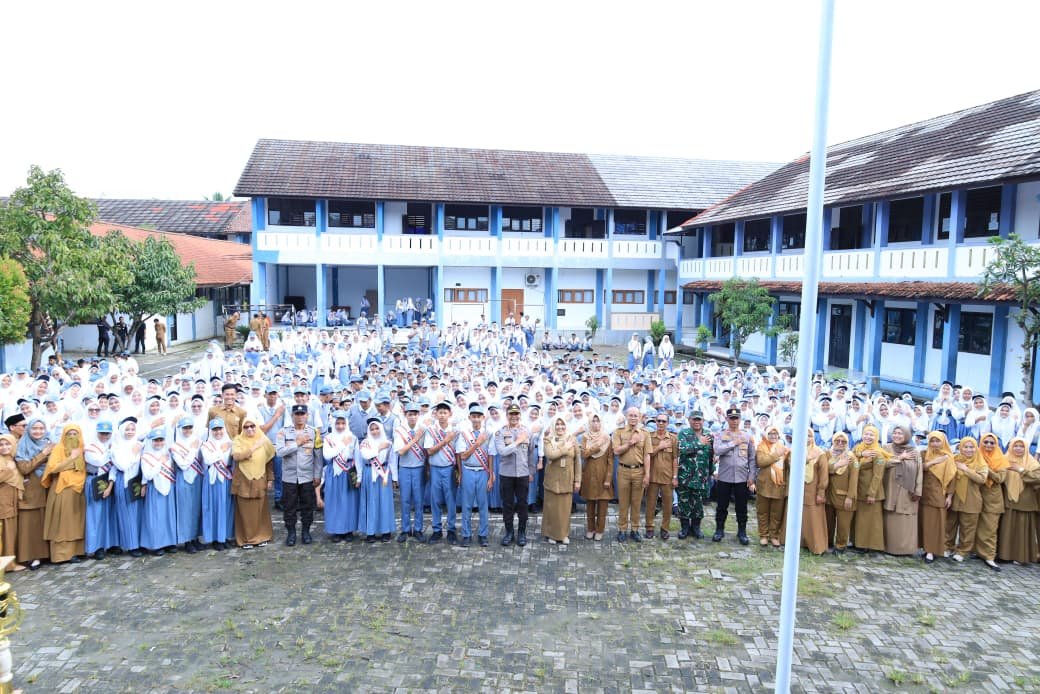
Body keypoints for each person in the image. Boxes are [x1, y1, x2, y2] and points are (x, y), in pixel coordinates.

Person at [276, 405, 323, 546]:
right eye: (297, 414)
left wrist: (318, 475)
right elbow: (279, 452)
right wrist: (297, 443)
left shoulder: (314, 432)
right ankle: (291, 533)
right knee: (289, 507)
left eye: (303, 413)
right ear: (292, 415)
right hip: (289, 477)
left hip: (307, 476)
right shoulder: (283, 432)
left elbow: (318, 457)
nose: (300, 416)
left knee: (308, 506)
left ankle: (306, 532)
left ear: (307, 415)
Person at [40, 423, 88, 563]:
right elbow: (53, 469)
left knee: (76, 522)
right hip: (63, 489)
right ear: (64, 435)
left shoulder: (81, 448)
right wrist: (71, 458)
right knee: (62, 523)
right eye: (69, 434)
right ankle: (61, 555)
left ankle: (77, 551)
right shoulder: (58, 449)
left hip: (78, 488)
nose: (72, 437)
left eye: (75, 434)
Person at [15, 417, 54, 569]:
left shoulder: (50, 443)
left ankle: (47, 554)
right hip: (31, 489)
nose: (38, 431)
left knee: (46, 521)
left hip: (48, 488)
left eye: (41, 428)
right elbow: (24, 468)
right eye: (34, 428)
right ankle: (33, 556)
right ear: (29, 430)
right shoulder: (22, 445)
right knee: (32, 524)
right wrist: (43, 454)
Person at [231, 415, 275, 548]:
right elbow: (237, 456)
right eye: (246, 427)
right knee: (245, 511)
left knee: (260, 510)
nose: (249, 429)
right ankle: (246, 539)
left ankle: (262, 536)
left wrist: (270, 479)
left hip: (260, 479)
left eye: (252, 426)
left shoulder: (264, 440)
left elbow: (269, 462)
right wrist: (254, 447)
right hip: (243, 480)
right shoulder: (237, 440)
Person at [713, 406, 755, 545]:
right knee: (722, 505)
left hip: (742, 478)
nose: (734, 421)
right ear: (727, 419)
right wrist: (733, 443)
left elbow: (752, 458)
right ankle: (719, 529)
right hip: (725, 477)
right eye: (732, 418)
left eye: (737, 418)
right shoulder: (720, 435)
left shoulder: (747, 436)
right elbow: (718, 450)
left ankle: (742, 531)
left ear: (740, 419)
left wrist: (751, 476)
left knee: (741, 506)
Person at [456, 405, 494, 547]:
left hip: (483, 472)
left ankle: (483, 534)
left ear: (483, 418)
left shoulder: (489, 433)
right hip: (468, 470)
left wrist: (491, 474)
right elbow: (463, 456)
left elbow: (491, 455)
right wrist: (477, 443)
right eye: (474, 416)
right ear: (470, 418)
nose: (476, 419)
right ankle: (466, 534)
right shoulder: (464, 433)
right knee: (466, 505)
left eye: (479, 416)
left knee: (483, 505)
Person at [998, 437, 1040, 564]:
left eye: (1021, 446)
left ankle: (1021, 557)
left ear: (1026, 448)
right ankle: (1005, 555)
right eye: (1015, 446)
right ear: (1010, 447)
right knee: (1007, 528)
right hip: (1008, 499)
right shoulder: (1004, 460)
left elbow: (1037, 478)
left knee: (1022, 530)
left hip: (1025, 500)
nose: (1018, 448)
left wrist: (1020, 470)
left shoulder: (1032, 463)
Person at [881, 425, 922, 556]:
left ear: (907, 436)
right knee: (891, 518)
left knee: (905, 518)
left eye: (900, 433)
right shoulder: (886, 448)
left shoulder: (914, 451)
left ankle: (906, 549)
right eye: (895, 433)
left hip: (907, 491)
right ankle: (890, 547)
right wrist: (900, 458)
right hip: (891, 488)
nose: (897, 436)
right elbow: (882, 464)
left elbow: (920, 472)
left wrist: (918, 490)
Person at [495, 404, 532, 547]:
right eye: (511, 414)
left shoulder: (527, 432)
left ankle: (521, 532)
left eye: (516, 414)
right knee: (507, 504)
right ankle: (509, 532)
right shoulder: (500, 433)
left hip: (522, 473)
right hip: (507, 474)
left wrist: (531, 471)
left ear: (520, 415)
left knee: (523, 504)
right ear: (507, 415)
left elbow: (530, 454)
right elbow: (502, 452)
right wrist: (518, 441)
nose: (514, 417)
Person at [946, 436, 987, 563]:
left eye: (972, 447)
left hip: (971, 500)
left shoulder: (980, 462)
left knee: (968, 528)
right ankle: (947, 547)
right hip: (954, 498)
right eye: (966, 447)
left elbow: (982, 479)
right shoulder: (955, 459)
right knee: (950, 524)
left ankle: (962, 551)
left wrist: (966, 469)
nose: (969, 450)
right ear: (960, 447)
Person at [424, 402, 459, 545]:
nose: (442, 415)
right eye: (440, 412)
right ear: (436, 414)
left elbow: (458, 452)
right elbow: (429, 451)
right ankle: (437, 530)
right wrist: (445, 441)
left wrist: (459, 471)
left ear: (449, 414)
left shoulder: (455, 431)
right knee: (435, 500)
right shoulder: (431, 430)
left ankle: (451, 530)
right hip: (435, 469)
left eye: (445, 412)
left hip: (449, 469)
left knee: (451, 501)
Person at [322, 411, 360, 542]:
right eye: (338, 423)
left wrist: (359, 476)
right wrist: (342, 444)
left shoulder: (353, 438)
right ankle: (336, 531)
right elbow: (327, 455)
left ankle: (349, 530)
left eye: (343, 423)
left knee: (349, 502)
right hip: (334, 472)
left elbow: (358, 458)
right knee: (335, 502)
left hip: (348, 473)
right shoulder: (328, 438)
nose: (340, 426)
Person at [542, 416, 580, 544]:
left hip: (567, 478)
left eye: (562, 424)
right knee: (552, 508)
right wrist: (565, 447)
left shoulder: (572, 439)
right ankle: (551, 534)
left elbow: (578, 461)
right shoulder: (548, 439)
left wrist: (578, 480)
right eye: (557, 424)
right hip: (552, 478)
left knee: (565, 508)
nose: (560, 427)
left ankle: (564, 534)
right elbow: (550, 454)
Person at [109, 417, 144, 558]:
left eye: (133, 429)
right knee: (127, 514)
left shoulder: (140, 444)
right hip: (123, 482)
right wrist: (134, 453)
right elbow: (122, 465)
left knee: (137, 514)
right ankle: (131, 545)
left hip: (137, 481)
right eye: (127, 429)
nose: (130, 432)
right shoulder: (116, 447)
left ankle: (139, 542)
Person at [850, 425, 889, 553]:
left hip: (871, 491)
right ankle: (857, 542)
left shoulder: (878, 453)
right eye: (866, 434)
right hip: (858, 489)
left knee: (870, 520)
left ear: (876, 437)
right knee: (860, 519)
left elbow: (878, 475)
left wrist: (871, 493)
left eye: (871, 435)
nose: (868, 437)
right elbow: (851, 455)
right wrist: (861, 453)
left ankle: (869, 545)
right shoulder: (858, 448)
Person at [919, 431, 956, 563]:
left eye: (938, 441)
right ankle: (926, 548)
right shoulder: (924, 454)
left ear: (943, 442)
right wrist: (934, 462)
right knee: (925, 522)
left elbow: (952, 478)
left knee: (936, 523)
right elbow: (919, 468)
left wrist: (950, 496)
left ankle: (932, 550)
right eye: (932, 441)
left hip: (939, 494)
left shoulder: (948, 457)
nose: (935, 444)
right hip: (924, 493)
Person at [83, 420, 116, 560]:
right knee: (94, 515)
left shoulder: (111, 445)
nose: (105, 436)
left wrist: (110, 484)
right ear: (97, 433)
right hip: (94, 480)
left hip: (107, 480)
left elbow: (114, 467)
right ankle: (95, 547)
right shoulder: (90, 446)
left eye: (107, 433)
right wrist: (111, 453)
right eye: (102, 433)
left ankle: (106, 545)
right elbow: (98, 462)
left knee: (107, 515)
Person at [358, 418, 395, 542]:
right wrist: (379, 448)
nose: (374, 431)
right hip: (370, 473)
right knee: (371, 502)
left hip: (384, 473)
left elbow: (392, 461)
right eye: (372, 429)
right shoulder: (365, 443)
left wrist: (394, 477)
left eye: (377, 428)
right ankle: (371, 532)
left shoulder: (388, 443)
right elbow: (366, 455)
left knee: (384, 502)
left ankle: (385, 531)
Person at [200, 419, 234, 550]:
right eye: (214, 430)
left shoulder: (230, 443)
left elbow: (231, 460)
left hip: (226, 478)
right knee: (214, 507)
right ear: (210, 431)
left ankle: (224, 536)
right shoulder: (206, 445)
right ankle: (215, 539)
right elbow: (209, 459)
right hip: (213, 480)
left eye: (220, 429)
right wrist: (221, 450)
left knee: (226, 507)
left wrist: (221, 452)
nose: (218, 432)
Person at [171, 417, 204, 553]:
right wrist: (192, 449)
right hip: (183, 479)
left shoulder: (199, 441)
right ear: (179, 429)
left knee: (196, 509)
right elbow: (183, 465)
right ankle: (187, 541)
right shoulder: (175, 446)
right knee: (185, 510)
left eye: (190, 427)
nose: (187, 430)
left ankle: (195, 537)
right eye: (185, 428)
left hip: (197, 478)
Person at [976, 432, 1008, 571]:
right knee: (977, 526)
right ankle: (978, 552)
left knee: (990, 529)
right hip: (977, 496)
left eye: (992, 442)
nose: (988, 445)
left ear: (996, 444)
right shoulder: (976, 455)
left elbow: (1000, 479)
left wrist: (986, 468)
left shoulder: (1000, 459)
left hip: (993, 499)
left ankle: (989, 556)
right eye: (986, 442)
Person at [580, 413, 613, 542]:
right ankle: (590, 529)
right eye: (593, 421)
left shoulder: (607, 438)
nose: (595, 424)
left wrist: (608, 479)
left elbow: (610, 461)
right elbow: (584, 455)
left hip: (603, 475)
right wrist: (596, 446)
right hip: (589, 475)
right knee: (590, 504)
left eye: (598, 421)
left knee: (603, 505)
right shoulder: (585, 437)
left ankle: (599, 530)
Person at [755, 425, 789, 547]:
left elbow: (790, 463)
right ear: (766, 435)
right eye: (770, 434)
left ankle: (774, 535)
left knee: (776, 512)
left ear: (779, 435)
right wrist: (776, 455)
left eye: (775, 434)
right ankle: (763, 535)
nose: (773, 436)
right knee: (762, 511)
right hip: (764, 485)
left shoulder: (784, 449)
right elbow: (761, 462)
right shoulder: (761, 447)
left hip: (779, 485)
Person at [645, 413, 678, 539]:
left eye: (664, 421)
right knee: (650, 504)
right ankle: (649, 527)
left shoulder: (673, 439)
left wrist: (675, 477)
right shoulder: (649, 437)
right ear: (655, 422)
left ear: (667, 423)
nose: (661, 423)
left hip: (667, 477)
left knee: (667, 505)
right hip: (653, 476)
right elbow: (647, 455)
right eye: (658, 421)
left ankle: (665, 528)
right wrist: (660, 447)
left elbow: (675, 459)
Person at [798, 428, 830, 555]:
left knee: (813, 517)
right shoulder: (796, 450)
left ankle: (815, 545)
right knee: (799, 516)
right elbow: (790, 465)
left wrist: (821, 492)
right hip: (798, 490)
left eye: (810, 436)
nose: (807, 438)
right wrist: (806, 458)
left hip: (813, 490)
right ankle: (799, 542)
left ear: (813, 438)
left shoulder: (820, 453)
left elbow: (824, 475)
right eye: (804, 435)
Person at [825, 431, 859, 553]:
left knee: (843, 525)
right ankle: (827, 542)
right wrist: (837, 465)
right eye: (837, 441)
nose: (840, 443)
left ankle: (840, 546)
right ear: (832, 442)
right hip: (828, 495)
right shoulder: (827, 455)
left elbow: (854, 479)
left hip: (844, 496)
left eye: (843, 441)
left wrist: (850, 497)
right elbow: (823, 470)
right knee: (828, 522)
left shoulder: (851, 457)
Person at [0, 435, 25, 570]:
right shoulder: (4, 461)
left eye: (7, 444)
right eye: (1, 444)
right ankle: (9, 565)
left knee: (11, 531)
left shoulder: (13, 458)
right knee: (7, 533)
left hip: (12, 499)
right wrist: (8, 470)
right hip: (3, 501)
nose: (4, 447)